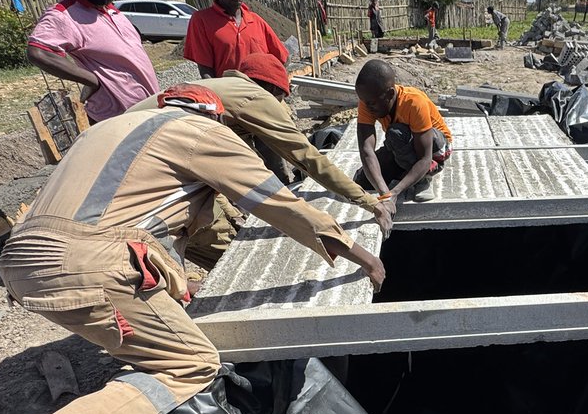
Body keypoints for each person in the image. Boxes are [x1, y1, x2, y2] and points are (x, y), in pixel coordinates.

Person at [0, 84, 385, 414]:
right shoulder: (201, 133)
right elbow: (277, 203)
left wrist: (175, 286)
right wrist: (362, 255)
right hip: (86, 268)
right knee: (191, 364)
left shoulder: (108, 131)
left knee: (147, 330)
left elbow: (140, 220)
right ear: (214, 115)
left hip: (21, 264)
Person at [128, 52, 395, 267]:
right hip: (148, 174)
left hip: (127, 157)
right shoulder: (254, 96)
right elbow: (308, 158)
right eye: (279, 100)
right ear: (269, 88)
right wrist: (370, 202)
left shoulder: (222, 90)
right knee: (231, 256)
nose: (279, 107)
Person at [26, 0, 159, 123]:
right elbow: (38, 52)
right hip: (114, 119)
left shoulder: (111, 10)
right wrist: (92, 81)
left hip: (147, 111)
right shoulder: (65, 15)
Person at [354, 59, 452, 204]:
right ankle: (406, 173)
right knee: (363, 181)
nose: (367, 107)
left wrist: (395, 192)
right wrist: (384, 193)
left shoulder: (414, 102)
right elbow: (366, 150)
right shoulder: (368, 102)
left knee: (396, 133)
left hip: (436, 149)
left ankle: (424, 178)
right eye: (364, 101)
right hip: (403, 145)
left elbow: (424, 159)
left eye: (371, 103)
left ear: (390, 94)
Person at [184, 0, 288, 78]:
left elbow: (282, 58)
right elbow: (206, 71)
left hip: (257, 89)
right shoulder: (202, 20)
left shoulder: (255, 21)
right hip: (226, 89)